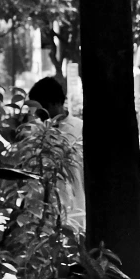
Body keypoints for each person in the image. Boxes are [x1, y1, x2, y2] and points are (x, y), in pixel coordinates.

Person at [28, 77, 85, 229]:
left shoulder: (80, 129)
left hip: (76, 214)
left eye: (43, 107)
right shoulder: (36, 132)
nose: (38, 113)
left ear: (57, 103)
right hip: (43, 216)